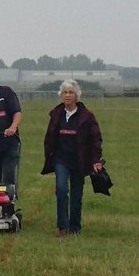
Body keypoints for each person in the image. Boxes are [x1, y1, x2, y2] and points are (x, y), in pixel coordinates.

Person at [41, 79, 103, 237]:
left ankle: (75, 227)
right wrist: (49, 154)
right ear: (61, 95)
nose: (67, 95)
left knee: (76, 196)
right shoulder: (56, 115)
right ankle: (62, 227)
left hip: (79, 161)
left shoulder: (87, 116)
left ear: (77, 96)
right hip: (61, 160)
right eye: (65, 92)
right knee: (61, 190)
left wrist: (96, 159)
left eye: (71, 92)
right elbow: (49, 137)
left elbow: (96, 139)